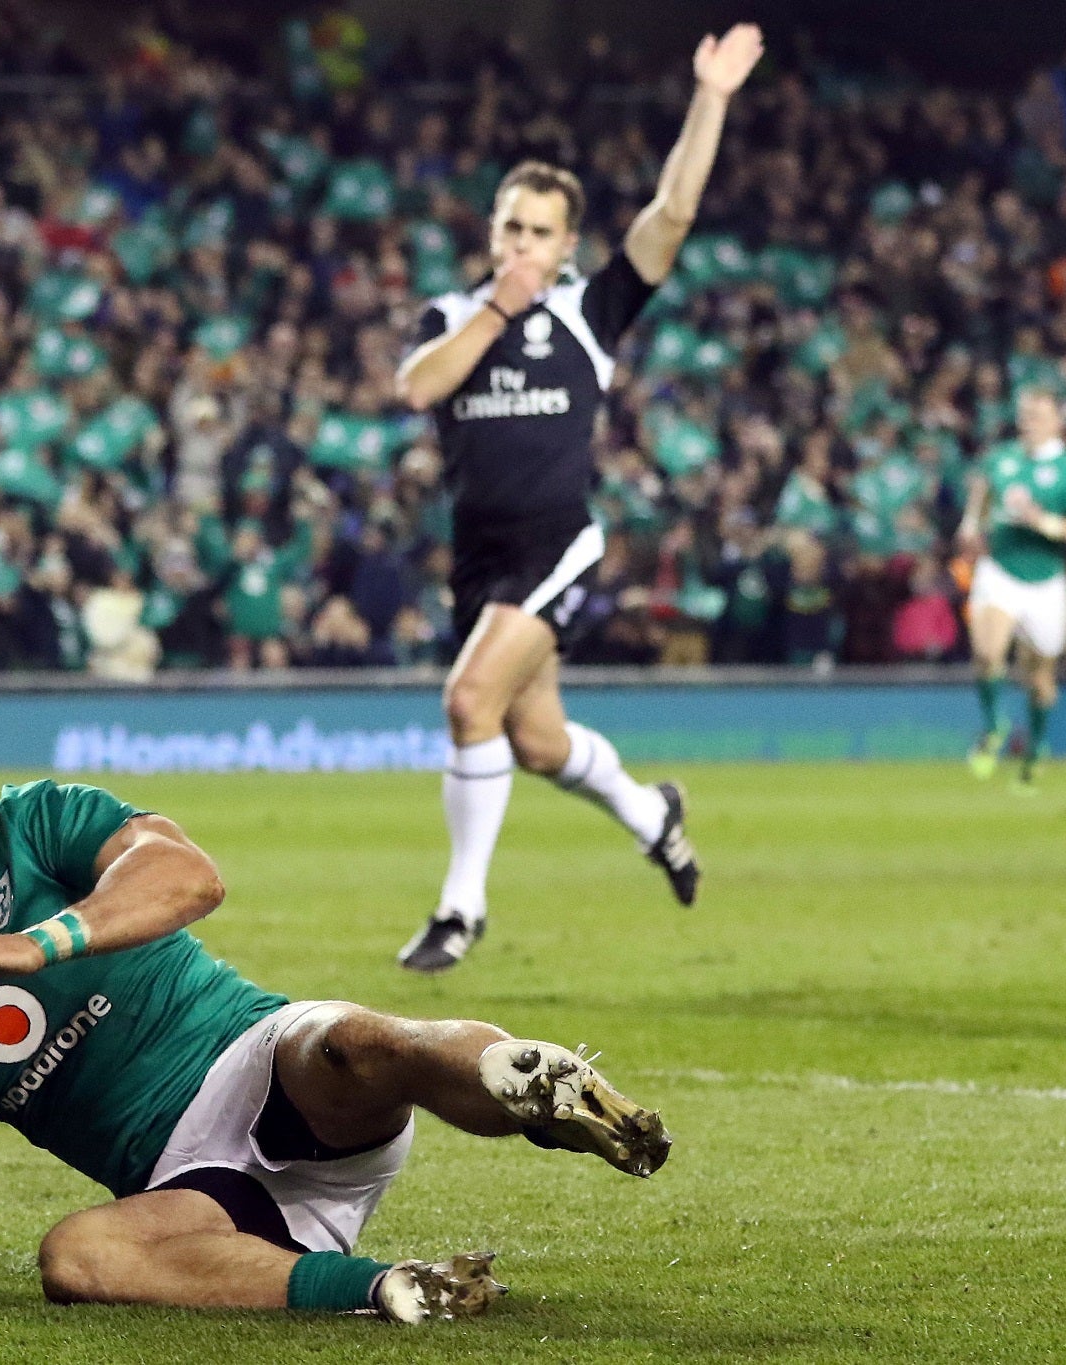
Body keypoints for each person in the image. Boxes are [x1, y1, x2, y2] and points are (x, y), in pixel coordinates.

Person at [0, 686, 673, 1323]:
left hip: (264, 1068)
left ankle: (533, 1088)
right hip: (197, 1198)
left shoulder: (40, 821)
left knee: (347, 1039)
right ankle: (389, 1287)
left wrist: (40, 941)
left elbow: (188, 873)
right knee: (74, 1260)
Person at [387, 24, 765, 972]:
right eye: (508, 225)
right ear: (492, 231)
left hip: (557, 542)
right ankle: (654, 813)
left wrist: (709, 96)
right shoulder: (453, 315)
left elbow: (672, 213)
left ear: (567, 247)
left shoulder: (587, 315)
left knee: (469, 700)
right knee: (541, 741)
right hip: (480, 555)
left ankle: (458, 910)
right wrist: (497, 307)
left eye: (538, 232)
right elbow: (419, 387)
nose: (520, 243)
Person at [956, 389, 1066, 790]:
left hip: (1045, 579)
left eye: (1039, 415)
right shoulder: (1001, 458)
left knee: (1039, 679)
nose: (1029, 422)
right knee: (987, 652)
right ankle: (994, 726)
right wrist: (970, 528)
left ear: (1058, 422)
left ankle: (1036, 748)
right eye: (1024, 415)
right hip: (1000, 569)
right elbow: (981, 496)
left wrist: (1048, 524)